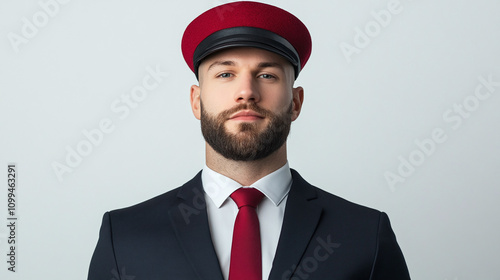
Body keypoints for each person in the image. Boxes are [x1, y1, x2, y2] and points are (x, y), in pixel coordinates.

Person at [87, 1, 411, 279]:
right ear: (196, 102)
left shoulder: (365, 235)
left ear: (295, 102)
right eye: (225, 74)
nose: (247, 92)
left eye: (267, 75)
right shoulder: (125, 236)